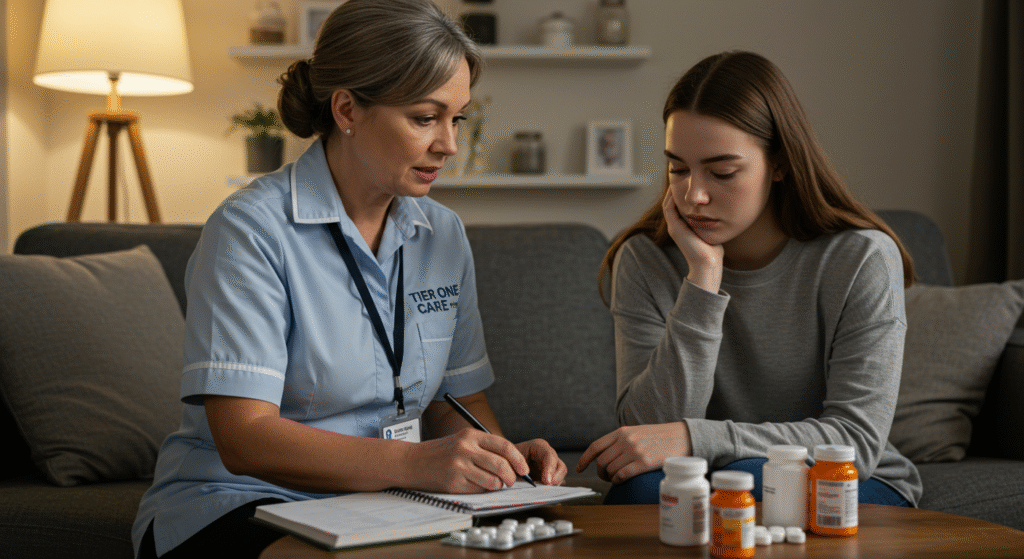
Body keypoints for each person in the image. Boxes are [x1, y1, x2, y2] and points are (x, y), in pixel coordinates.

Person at [132, 1, 566, 557]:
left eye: (456, 118)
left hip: (389, 501)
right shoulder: (250, 229)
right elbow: (244, 438)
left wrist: (496, 458)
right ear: (347, 110)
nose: (449, 145)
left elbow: (453, 402)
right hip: (241, 499)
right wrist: (415, 464)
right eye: (425, 118)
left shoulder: (444, 234)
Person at [576, 51, 922, 507]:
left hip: (848, 481)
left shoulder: (861, 258)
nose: (693, 195)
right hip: (709, 477)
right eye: (678, 169)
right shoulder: (645, 259)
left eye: (722, 172)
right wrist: (701, 280)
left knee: (743, 480)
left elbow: (855, 439)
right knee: (639, 492)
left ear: (779, 164)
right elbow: (647, 431)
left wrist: (696, 439)